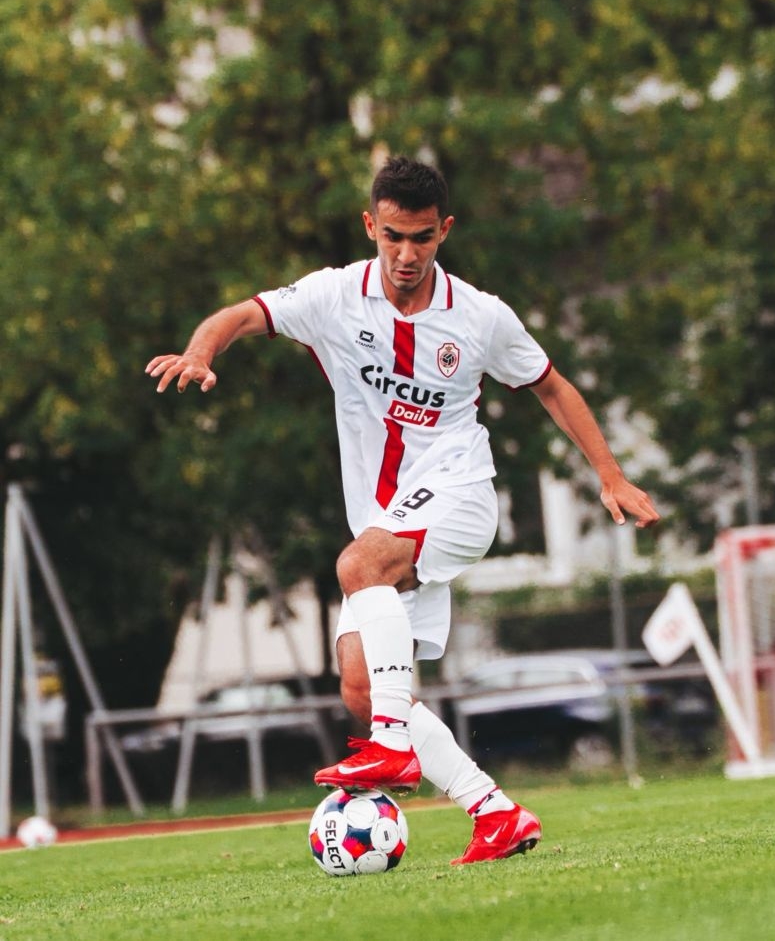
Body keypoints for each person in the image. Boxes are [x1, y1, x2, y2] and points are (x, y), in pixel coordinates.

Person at [147, 155, 660, 862]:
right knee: (360, 687)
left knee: (358, 565)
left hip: (459, 493)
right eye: (393, 236)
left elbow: (552, 385)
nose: (406, 253)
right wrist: (201, 353)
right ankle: (493, 811)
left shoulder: (479, 316)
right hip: (389, 517)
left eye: (421, 237)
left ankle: (391, 747)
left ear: (444, 231)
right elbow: (243, 314)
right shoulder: (334, 296)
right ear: (370, 226)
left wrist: (611, 476)